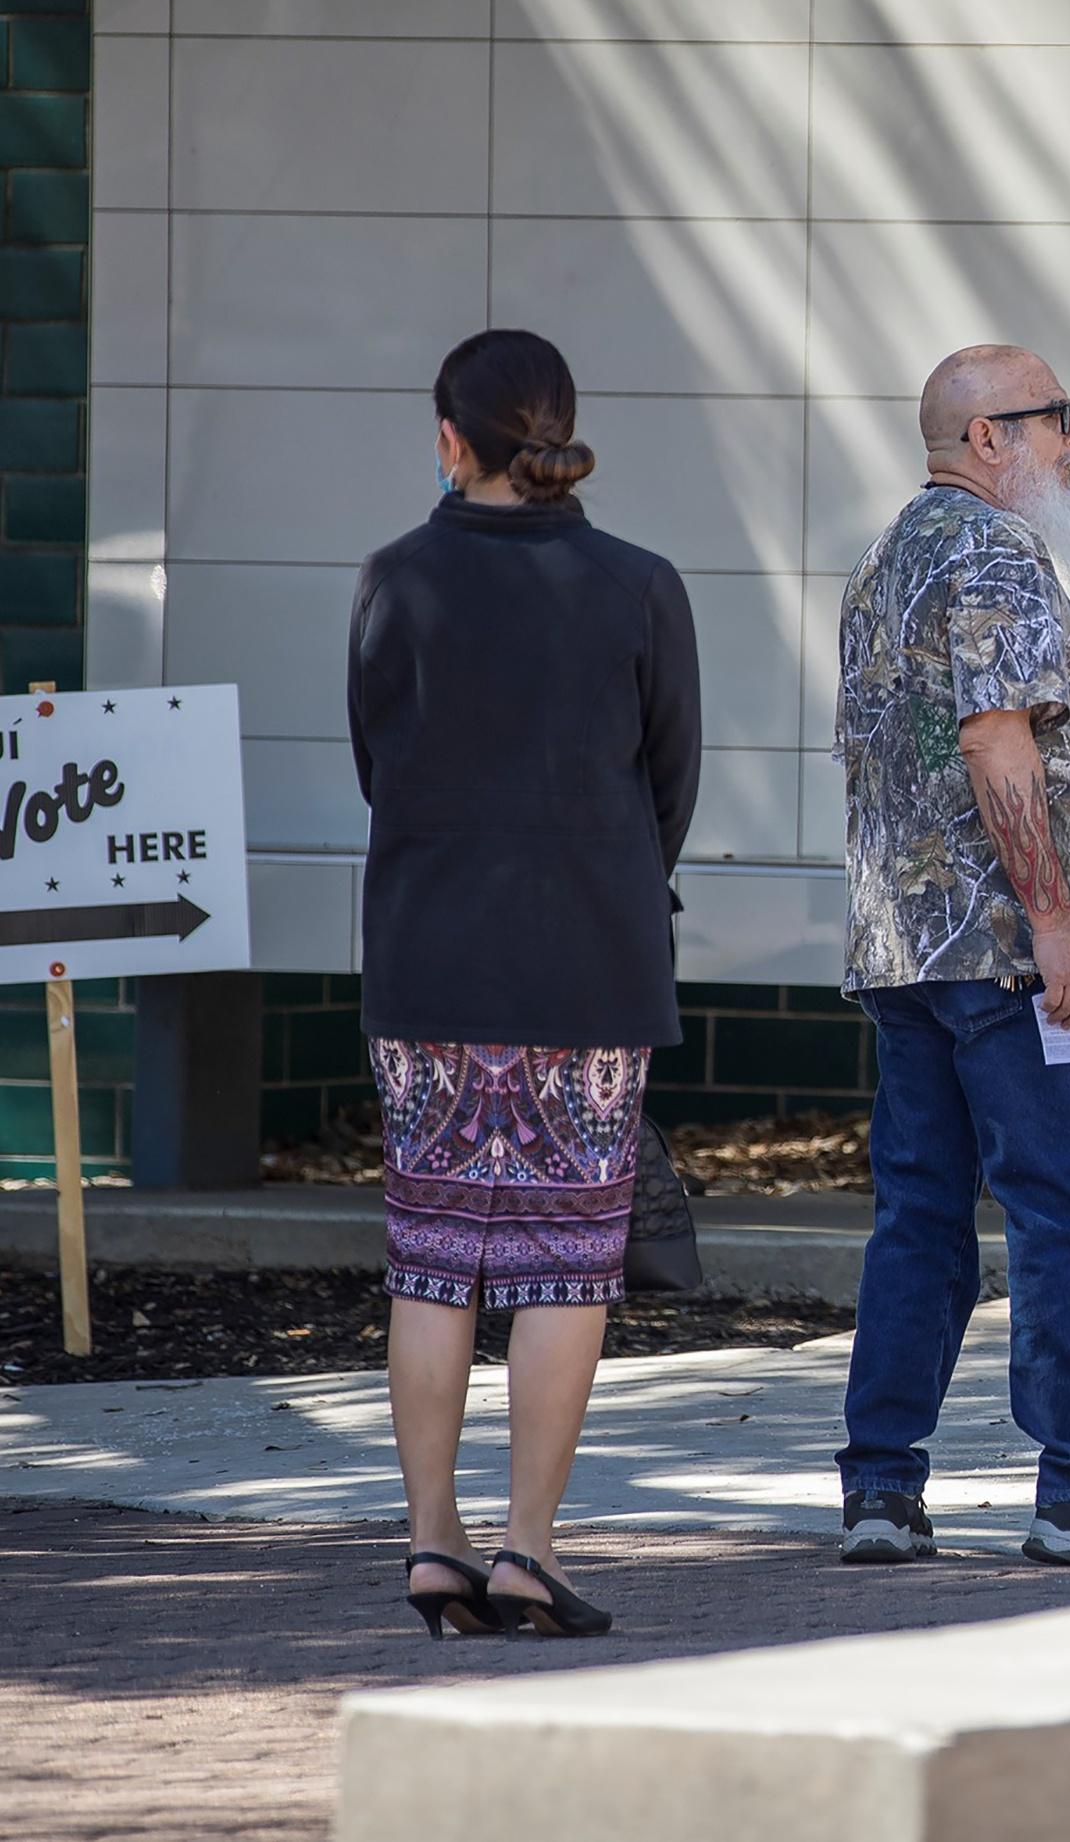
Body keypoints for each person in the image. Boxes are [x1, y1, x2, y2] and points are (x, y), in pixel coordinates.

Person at [833, 343, 1070, 1568]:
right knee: (1062, 1205)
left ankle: (881, 1489)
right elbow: (998, 742)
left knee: (920, 1220)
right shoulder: (990, 553)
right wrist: (1055, 919)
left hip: (908, 951)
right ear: (986, 437)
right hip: (1006, 950)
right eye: (1057, 418)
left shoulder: (887, 555)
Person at [353, 329, 701, 1638]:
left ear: (452, 440)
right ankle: (527, 1549)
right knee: (566, 1271)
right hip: (590, 970)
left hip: (430, 966)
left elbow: (376, 761)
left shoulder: (395, 578)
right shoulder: (641, 584)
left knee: (432, 1264)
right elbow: (669, 781)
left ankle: (432, 1542)